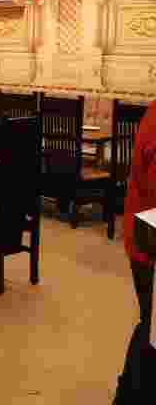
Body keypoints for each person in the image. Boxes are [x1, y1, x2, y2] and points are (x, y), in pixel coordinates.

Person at [114, 101, 156, 403]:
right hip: (148, 242)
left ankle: (129, 391)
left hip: (143, 236)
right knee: (151, 327)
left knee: (148, 323)